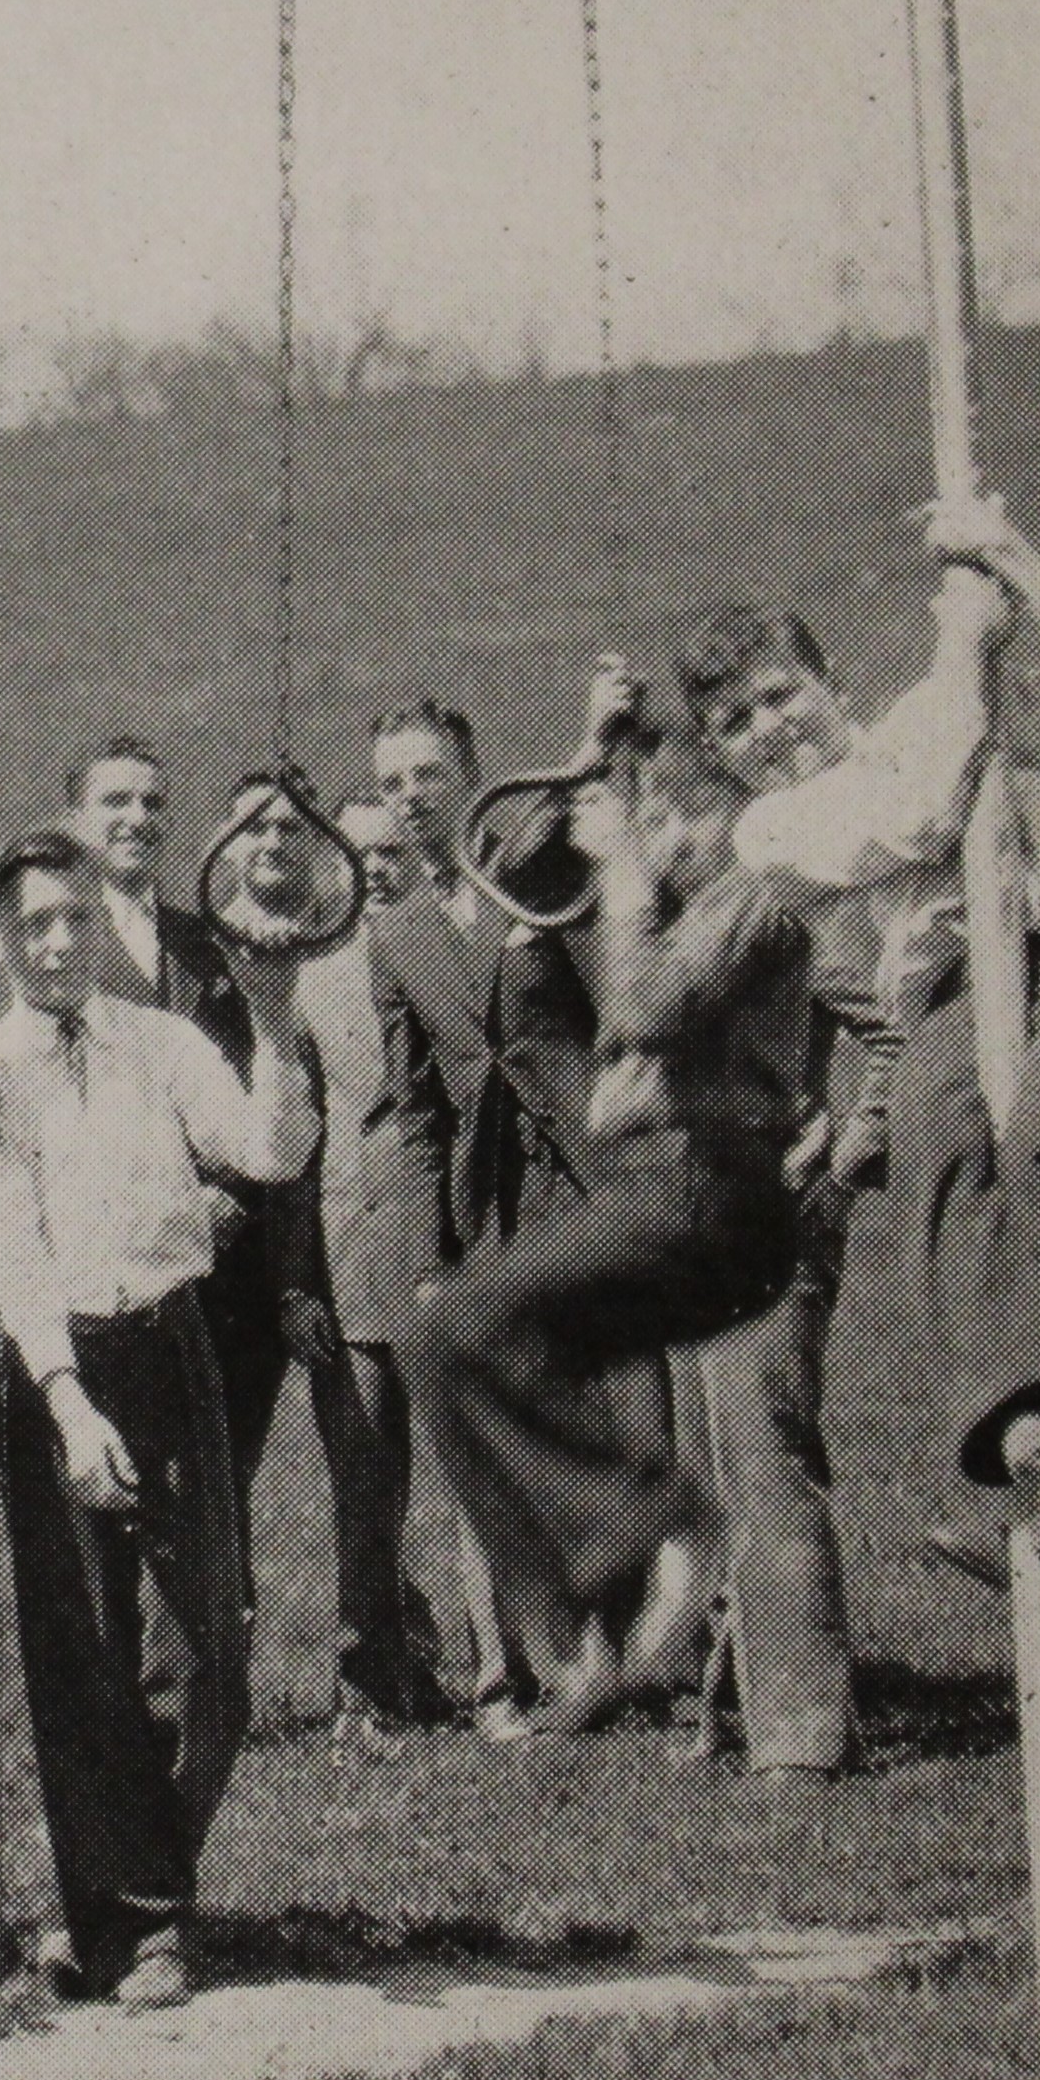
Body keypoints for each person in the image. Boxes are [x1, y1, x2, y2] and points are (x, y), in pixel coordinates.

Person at [685, 491, 1040, 1613]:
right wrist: (961, 646)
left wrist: (1007, 558)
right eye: (736, 726)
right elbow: (915, 820)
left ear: (830, 687)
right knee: (939, 1164)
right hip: (954, 993)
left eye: (780, 696)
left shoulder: (935, 709)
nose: (768, 729)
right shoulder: (771, 834)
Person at [402, 750, 813, 1732]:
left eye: (686, 818)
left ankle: (660, 1519)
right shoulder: (696, 916)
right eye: (654, 819)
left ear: (736, 815)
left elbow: (636, 1019)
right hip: (684, 1188)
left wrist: (626, 885)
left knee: (461, 1326)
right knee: (456, 1346)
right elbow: (614, 1082)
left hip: (710, 1198)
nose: (667, 841)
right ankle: (599, 1599)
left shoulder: (750, 894)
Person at [0, 828, 324, 2004]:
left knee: (206, 1648)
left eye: (74, 916)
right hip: (51, 1362)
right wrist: (66, 1404)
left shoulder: (160, 1040)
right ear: (0, 942)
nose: (59, 942)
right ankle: (141, 1927)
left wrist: (274, 1017)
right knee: (79, 1653)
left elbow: (269, 1150)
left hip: (169, 1347)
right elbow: (10, 1238)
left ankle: (120, 1901)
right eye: (33, 924)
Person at [359, 695, 610, 1736]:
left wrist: (590, 735)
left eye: (426, 774)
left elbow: (564, 806)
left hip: (587, 1180)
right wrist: (427, 1256)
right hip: (482, 1199)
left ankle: (622, 1658)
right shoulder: (395, 938)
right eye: (391, 782)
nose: (410, 796)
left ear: (467, 778)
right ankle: (505, 1677)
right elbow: (415, 1110)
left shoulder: (526, 874)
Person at [60, 739, 293, 1532]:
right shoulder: (54, 951)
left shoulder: (210, 943)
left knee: (220, 1508)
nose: (137, 819)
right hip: (110, 1283)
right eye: (115, 802)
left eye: (153, 803)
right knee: (122, 1509)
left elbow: (255, 1089)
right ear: (74, 820)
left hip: (227, 1279)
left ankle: (219, 1656)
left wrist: (228, 1194)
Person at [296, 792, 453, 1744]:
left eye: (393, 851)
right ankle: (371, 1679)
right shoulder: (310, 976)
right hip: (347, 1256)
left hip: (444, 1248)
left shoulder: (446, 952)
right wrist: (301, 1278)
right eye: (360, 854)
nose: (377, 869)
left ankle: (499, 1667)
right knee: (365, 1473)